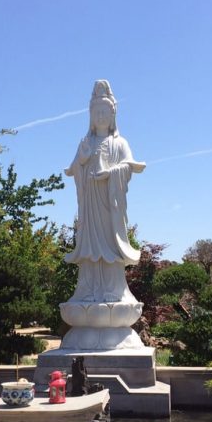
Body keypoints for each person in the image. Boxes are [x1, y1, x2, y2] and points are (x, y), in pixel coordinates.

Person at [65, 80, 145, 303]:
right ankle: (87, 289)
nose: (100, 116)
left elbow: (129, 166)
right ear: (91, 115)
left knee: (110, 245)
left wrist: (111, 173)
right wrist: (82, 160)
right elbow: (74, 169)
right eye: (96, 112)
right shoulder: (85, 142)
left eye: (104, 111)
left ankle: (114, 289)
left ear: (112, 115)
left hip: (110, 204)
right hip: (90, 204)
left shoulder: (120, 143)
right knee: (89, 245)